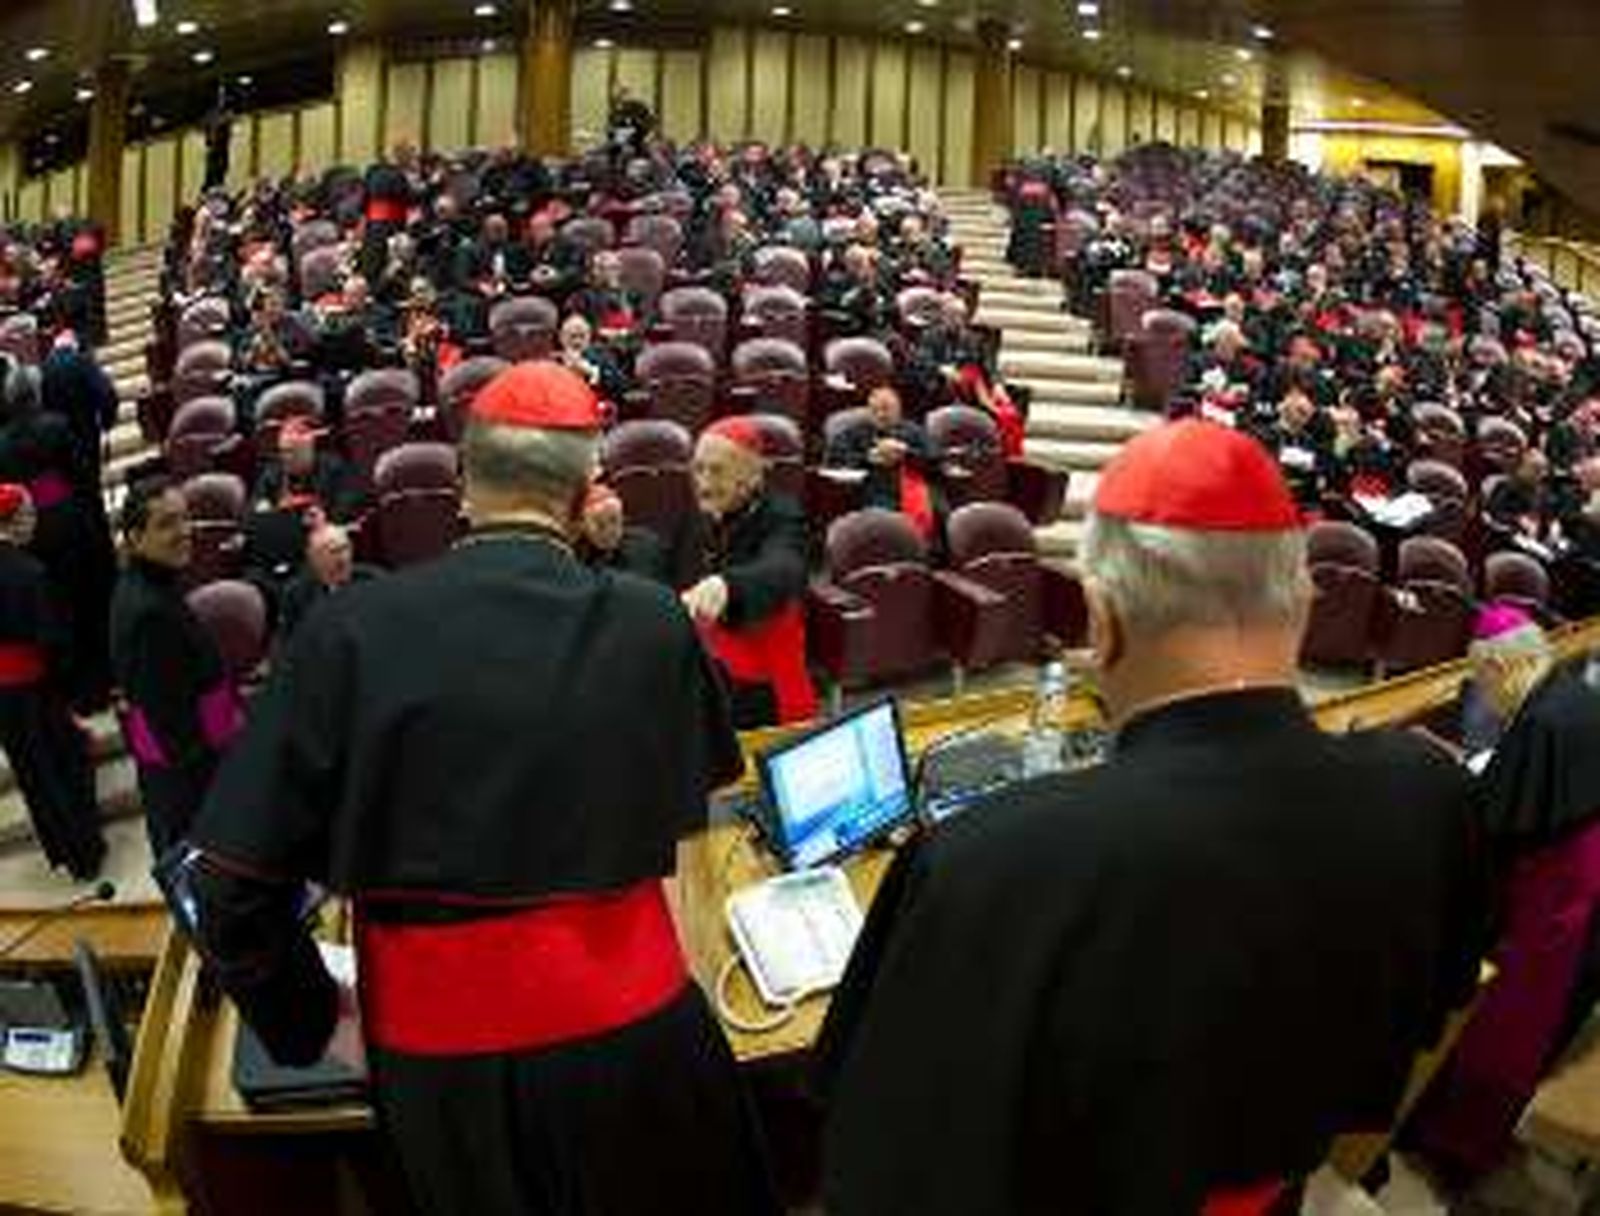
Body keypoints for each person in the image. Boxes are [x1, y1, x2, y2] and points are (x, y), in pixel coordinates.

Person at [817, 419, 1485, 1215]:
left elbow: (885, 1161)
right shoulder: (1429, 792)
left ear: (1102, 620)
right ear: (1306, 601)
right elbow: (1435, 1011)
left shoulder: (988, 862)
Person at [181, 362, 778, 1216]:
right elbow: (697, 805)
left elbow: (228, 889)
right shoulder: (653, 619)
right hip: (641, 1034)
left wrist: (311, 1023)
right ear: (583, 498)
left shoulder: (346, 630)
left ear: (463, 487)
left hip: (440, 1063)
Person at [1406, 606, 1600, 1182]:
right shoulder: (1566, 693)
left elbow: (1496, 829)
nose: (1483, 696)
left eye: (1481, 679)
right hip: (1580, 872)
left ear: (1499, 668)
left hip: (1555, 895)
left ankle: (1452, 1142)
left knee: (1505, 1018)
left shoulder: (1538, 723)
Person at [109, 477, 242, 858]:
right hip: (193, 782)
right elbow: (174, 732)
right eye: (167, 523)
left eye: (185, 518)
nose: (184, 531)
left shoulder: (150, 583)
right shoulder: (148, 613)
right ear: (135, 538)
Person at [684, 415, 817, 729]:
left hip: (767, 680)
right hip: (715, 664)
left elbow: (785, 567)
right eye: (698, 469)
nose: (704, 483)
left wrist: (727, 585)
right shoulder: (702, 513)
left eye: (717, 471)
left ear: (753, 475)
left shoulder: (783, 517)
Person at [0, 483, 103, 880]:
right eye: (29, 515)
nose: (35, 522)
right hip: (37, 688)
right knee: (65, 766)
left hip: (5, 698)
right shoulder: (31, 572)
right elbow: (54, 642)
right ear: (15, 521)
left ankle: (61, 850)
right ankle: (85, 853)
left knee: (33, 774)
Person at [823, 385, 937, 540]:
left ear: (899, 410)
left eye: (886, 409)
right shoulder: (853, 433)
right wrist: (868, 458)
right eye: (875, 410)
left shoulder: (914, 432)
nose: (881, 415)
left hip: (911, 487)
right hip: (870, 488)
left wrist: (906, 453)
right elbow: (835, 461)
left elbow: (935, 460)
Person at [275, 523, 379, 641]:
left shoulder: (372, 580)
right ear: (314, 557)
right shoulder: (298, 594)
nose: (343, 558)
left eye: (345, 548)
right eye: (333, 551)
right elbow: (289, 639)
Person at [253, 417, 363, 524]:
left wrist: (325, 515)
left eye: (295, 451)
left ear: (310, 448)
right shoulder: (273, 471)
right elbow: (255, 507)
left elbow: (350, 502)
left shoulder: (334, 467)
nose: (288, 458)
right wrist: (272, 509)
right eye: (285, 452)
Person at [576, 483, 669, 583]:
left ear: (622, 517)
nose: (609, 531)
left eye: (614, 520)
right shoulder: (575, 557)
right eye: (600, 525)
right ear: (583, 525)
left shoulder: (647, 545)